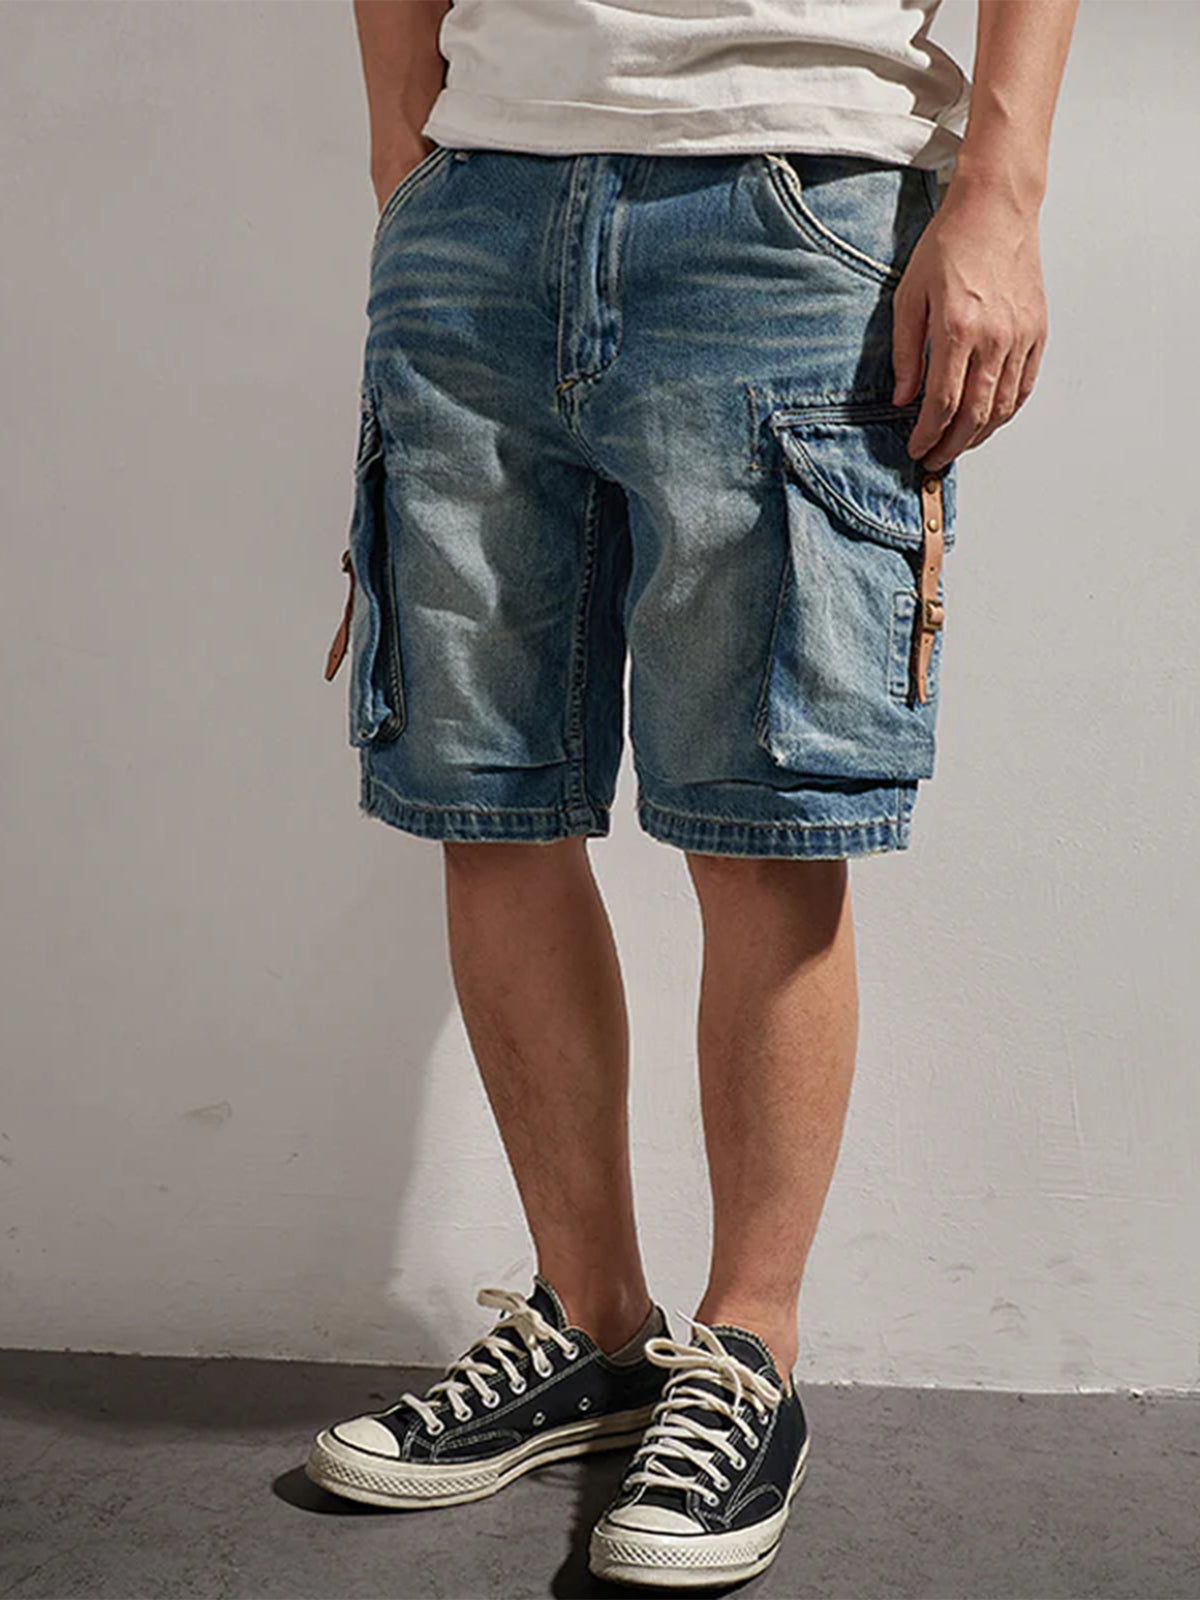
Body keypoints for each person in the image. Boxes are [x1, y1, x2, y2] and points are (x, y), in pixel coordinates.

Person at [308, 0, 1077, 1586]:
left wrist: (1001, 192)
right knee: (485, 802)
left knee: (765, 820)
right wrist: (405, 154)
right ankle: (592, 1327)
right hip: (480, 204)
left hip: (795, 198)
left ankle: (749, 1352)